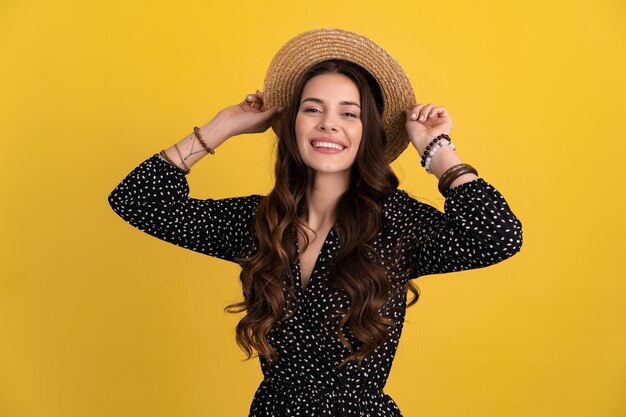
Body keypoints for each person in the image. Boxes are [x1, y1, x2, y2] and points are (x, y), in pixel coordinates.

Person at [108, 28, 523, 417]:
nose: (329, 123)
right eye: (313, 109)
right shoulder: (260, 223)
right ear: (292, 125)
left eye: (350, 113)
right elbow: (137, 200)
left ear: (369, 132)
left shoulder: (397, 224)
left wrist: (438, 149)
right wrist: (223, 126)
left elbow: (497, 236)